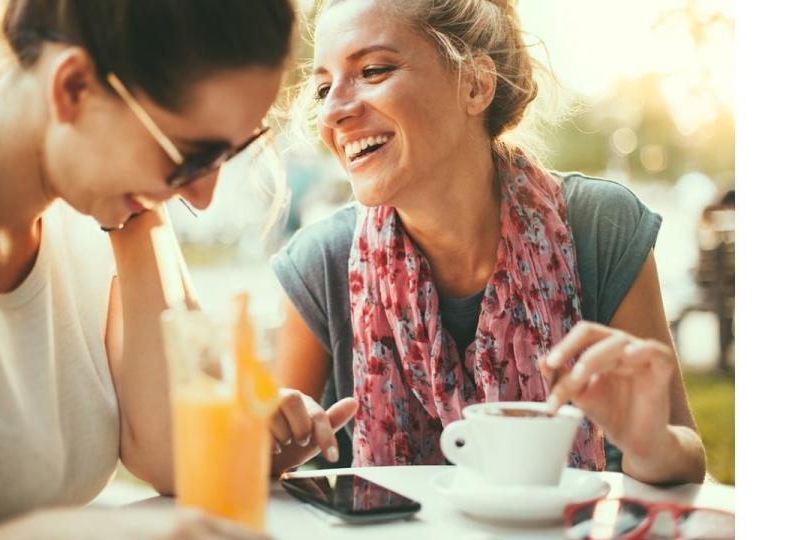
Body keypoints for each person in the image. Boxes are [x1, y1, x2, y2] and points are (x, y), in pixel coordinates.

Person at [266, 0, 707, 485]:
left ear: (475, 85)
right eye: (324, 88)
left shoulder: (599, 227)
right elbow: (255, 471)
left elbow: (682, 459)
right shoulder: (321, 263)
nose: (333, 111)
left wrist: (650, 442)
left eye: (371, 71)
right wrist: (269, 448)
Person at [0, 0, 294, 537]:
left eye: (228, 156)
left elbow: (175, 457)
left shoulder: (101, 207)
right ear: (73, 88)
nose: (203, 197)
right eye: (192, 156)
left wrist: (142, 203)